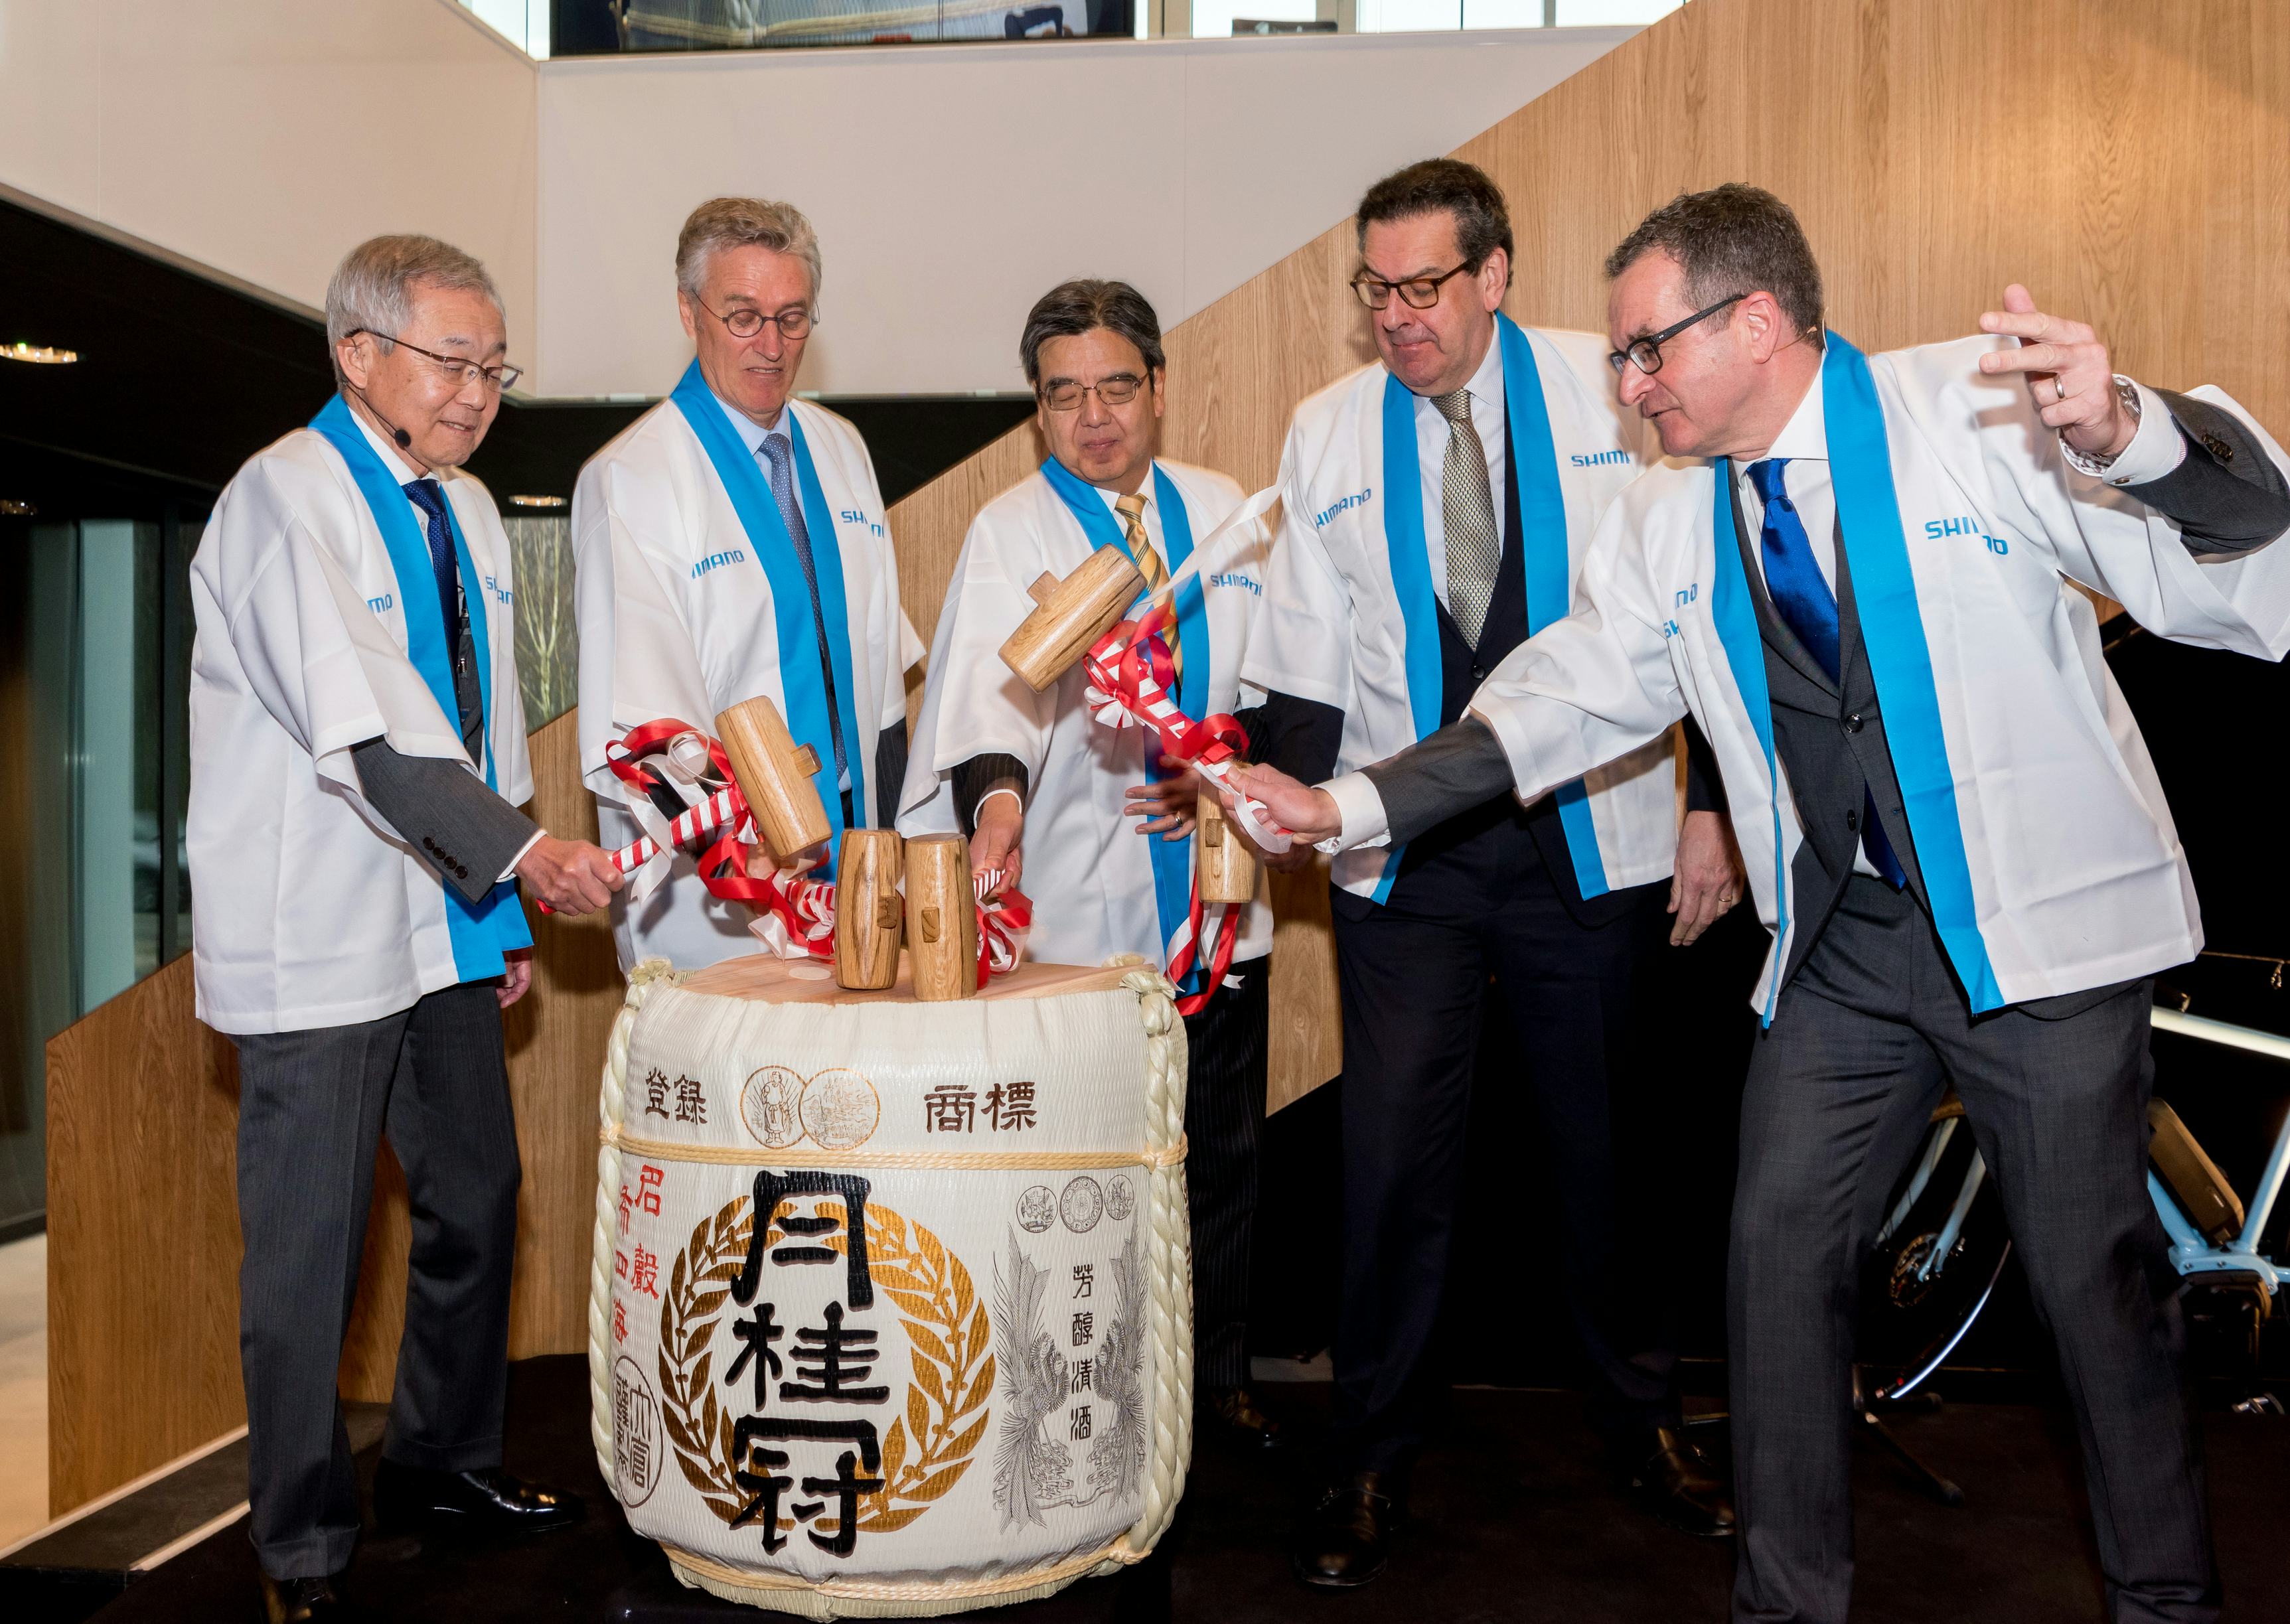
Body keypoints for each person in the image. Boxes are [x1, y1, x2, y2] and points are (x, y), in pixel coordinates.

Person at [1234, 184, 2290, 1624]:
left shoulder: (1971, 412)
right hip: (1848, 953)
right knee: (1774, 1265)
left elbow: (2240, 534)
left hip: (2035, 942)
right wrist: (1349, 806)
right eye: (1622, 355)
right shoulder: (1669, 515)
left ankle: (2166, 1602)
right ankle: (1786, 1606)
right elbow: (1552, 701)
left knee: (2094, 1292)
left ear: (1757, 324)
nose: (1628, 385)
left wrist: (2126, 430)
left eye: (1647, 350)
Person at [1239, 159, 1744, 1587]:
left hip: (1591, 836)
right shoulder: (1329, 429)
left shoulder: (1614, 387)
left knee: (1608, 1156)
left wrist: (1713, 804)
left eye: (1425, 286)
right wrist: (1291, 811)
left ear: (1496, 273)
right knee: (1392, 1161)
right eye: (1377, 288)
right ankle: (1371, 1450)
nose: (1397, 315)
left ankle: (1643, 1421)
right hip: (1405, 858)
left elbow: (1696, 608)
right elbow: (1300, 661)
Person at [189, 235, 625, 1624]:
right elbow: (370, 739)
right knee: (312, 1251)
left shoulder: (472, 509)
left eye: (495, 367)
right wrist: (530, 858)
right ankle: (301, 1547)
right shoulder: (285, 498)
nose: (478, 393)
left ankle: (442, 1464)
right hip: (317, 927)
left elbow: (479, 726)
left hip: (444, 911)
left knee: (478, 1194)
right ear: (358, 354)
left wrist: (501, 904)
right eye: (453, 362)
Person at [900, 277, 1282, 1449]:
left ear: (1159, 387)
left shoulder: (1225, 514)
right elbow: (985, 707)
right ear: (1038, 410)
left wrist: (1227, 765)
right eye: (1064, 395)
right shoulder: (1011, 530)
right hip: (1078, 910)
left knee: (1221, 1151)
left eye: (1116, 386)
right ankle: (1089, 1395)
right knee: (1088, 1167)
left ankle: (1219, 1381)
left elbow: (1285, 680)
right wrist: (997, 812)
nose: (1094, 416)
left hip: (1217, 895)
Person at [573, 196, 917, 970]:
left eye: (792, 318)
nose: (771, 344)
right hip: (723, 888)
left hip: (857, 866)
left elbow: (881, 690)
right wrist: (750, 863)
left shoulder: (843, 449)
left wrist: (893, 845)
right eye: (743, 317)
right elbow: (645, 731)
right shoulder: (631, 478)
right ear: (688, 311)